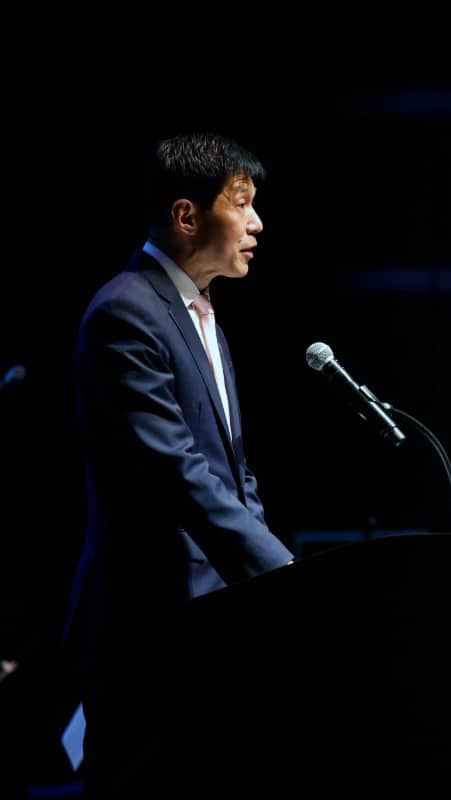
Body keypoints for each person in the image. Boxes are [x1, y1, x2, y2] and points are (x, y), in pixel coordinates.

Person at [62, 132, 294, 796]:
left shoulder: (205, 318)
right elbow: (177, 471)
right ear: (187, 215)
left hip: (211, 629)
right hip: (148, 630)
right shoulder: (126, 312)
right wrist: (278, 572)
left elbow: (234, 472)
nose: (257, 223)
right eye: (241, 203)